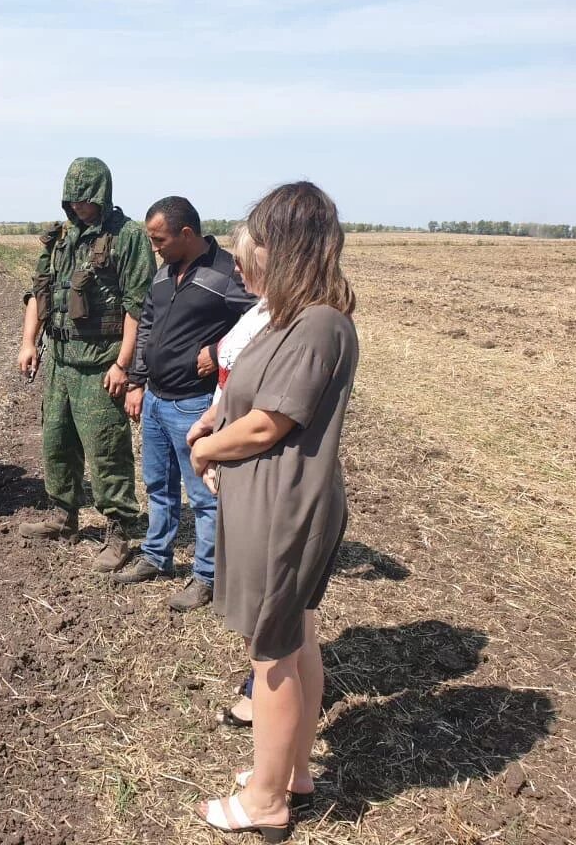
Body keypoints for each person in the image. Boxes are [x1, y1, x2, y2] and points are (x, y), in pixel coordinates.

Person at [187, 182, 358, 840]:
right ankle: (291, 771)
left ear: (282, 247)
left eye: (251, 245)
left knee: (273, 652)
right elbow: (246, 397)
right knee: (297, 638)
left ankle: (265, 802)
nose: (242, 260)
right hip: (271, 498)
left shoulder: (319, 324)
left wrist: (207, 448)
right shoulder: (293, 319)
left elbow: (269, 425)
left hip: (286, 504)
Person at [114, 197, 255, 611]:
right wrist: (138, 383)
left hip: (195, 405)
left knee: (204, 496)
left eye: (160, 240)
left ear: (187, 235)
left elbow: (263, 323)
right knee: (158, 486)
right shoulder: (164, 273)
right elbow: (148, 326)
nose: (155, 248)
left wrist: (218, 348)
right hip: (156, 399)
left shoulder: (227, 273)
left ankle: (206, 576)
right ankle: (156, 556)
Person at [16, 157, 156, 571]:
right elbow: (39, 294)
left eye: (85, 198)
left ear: (101, 195)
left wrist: (124, 364)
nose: (78, 206)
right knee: (56, 444)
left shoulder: (127, 237)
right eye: (71, 199)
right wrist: (29, 343)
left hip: (101, 363)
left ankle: (119, 529)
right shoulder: (60, 237)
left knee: (106, 449)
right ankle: (65, 515)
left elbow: (138, 306)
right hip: (60, 361)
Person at [184, 222, 273, 719]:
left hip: (257, 468)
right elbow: (230, 378)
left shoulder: (290, 323)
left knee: (265, 596)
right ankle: (260, 681)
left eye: (243, 261)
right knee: (249, 593)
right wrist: (208, 421)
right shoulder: (259, 311)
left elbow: (264, 421)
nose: (233, 269)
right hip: (230, 452)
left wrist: (209, 447)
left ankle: (264, 691)